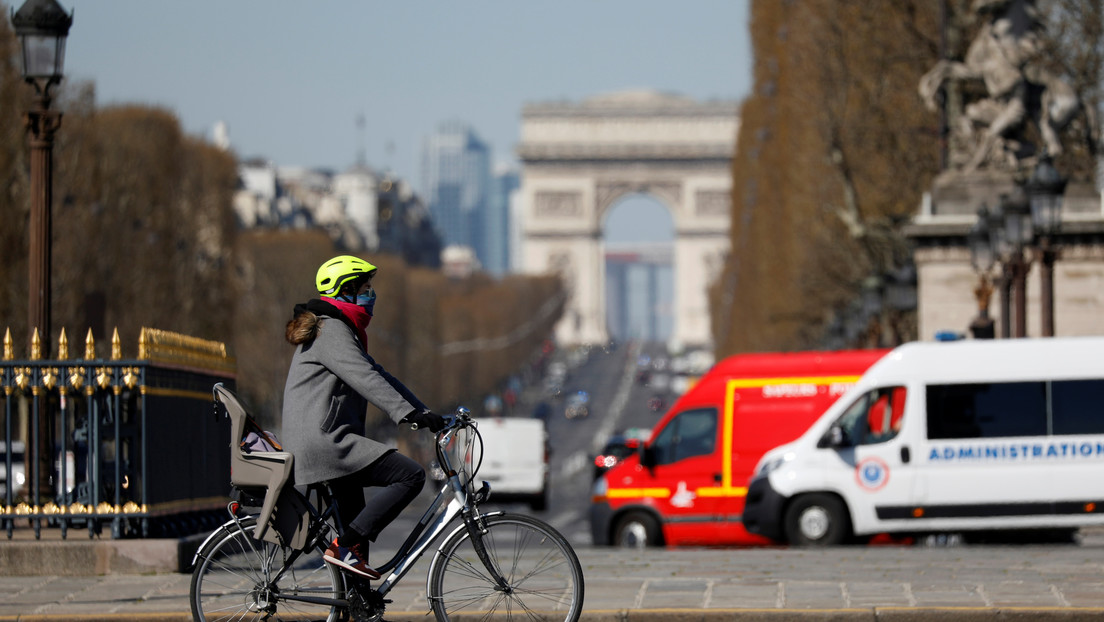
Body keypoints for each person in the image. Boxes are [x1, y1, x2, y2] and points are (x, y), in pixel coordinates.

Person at [282, 255, 446, 579]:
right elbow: (366, 379)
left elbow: (379, 374)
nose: (372, 295)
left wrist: (423, 412)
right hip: (325, 443)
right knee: (410, 475)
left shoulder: (338, 329)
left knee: (357, 532)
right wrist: (408, 414)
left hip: (328, 440)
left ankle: (358, 606)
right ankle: (342, 546)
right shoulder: (331, 329)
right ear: (346, 291)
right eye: (365, 288)